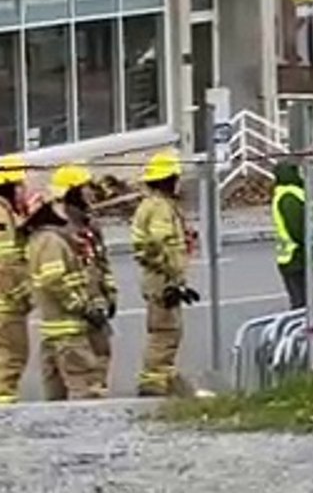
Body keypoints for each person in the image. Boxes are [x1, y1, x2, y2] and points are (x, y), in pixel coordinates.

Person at [25, 188, 106, 401]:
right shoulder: (51, 241)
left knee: (56, 394)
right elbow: (54, 280)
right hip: (68, 332)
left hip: (56, 333)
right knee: (85, 388)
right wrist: (82, 306)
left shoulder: (43, 239)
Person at [132, 149, 201, 397]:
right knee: (165, 331)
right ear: (169, 180)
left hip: (160, 279)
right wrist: (172, 278)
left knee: (167, 329)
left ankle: (163, 376)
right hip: (162, 280)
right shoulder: (160, 207)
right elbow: (158, 242)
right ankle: (153, 381)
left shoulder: (152, 205)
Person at [51, 164, 117, 397]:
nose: (91, 192)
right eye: (85, 187)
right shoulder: (59, 230)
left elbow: (101, 262)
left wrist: (110, 294)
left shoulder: (91, 226)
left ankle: (95, 399)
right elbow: (56, 278)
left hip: (95, 306)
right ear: (72, 192)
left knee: (100, 356)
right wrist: (81, 306)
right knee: (74, 368)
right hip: (74, 312)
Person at [0, 155, 31, 404]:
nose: (24, 191)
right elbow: (2, 263)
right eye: (21, 186)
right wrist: (21, 294)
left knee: (7, 354)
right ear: (9, 186)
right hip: (3, 300)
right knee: (9, 356)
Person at [271, 161, 308, 309]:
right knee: (302, 305)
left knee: (301, 302)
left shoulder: (283, 194)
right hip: (297, 258)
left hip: (289, 257)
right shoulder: (290, 197)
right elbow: (298, 229)